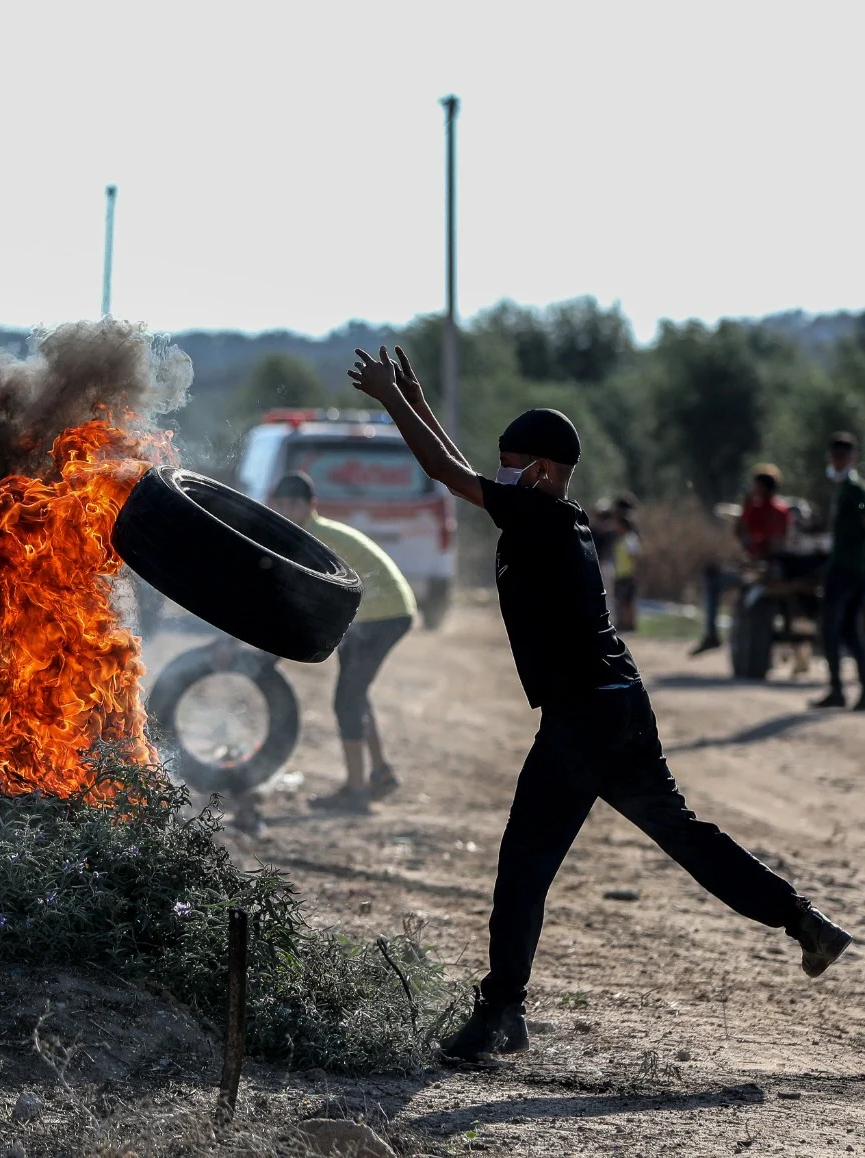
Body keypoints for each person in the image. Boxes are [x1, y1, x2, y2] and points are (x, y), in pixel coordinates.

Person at [344, 344, 853, 1063]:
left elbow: (446, 474)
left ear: (543, 472)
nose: (505, 476)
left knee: (524, 860)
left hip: (584, 717)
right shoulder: (561, 517)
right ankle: (803, 920)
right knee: (686, 836)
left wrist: (390, 401)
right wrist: (420, 400)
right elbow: (463, 470)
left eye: (514, 465)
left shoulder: (542, 518)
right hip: (620, 705)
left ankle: (500, 1014)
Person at [270, 472, 416, 805]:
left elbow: (299, 606)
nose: (287, 509)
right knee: (356, 694)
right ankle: (379, 773)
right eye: (282, 503)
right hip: (371, 615)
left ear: (311, 506)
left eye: (294, 504)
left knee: (346, 699)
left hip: (382, 615)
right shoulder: (307, 535)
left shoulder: (312, 539)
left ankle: (356, 790)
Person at [691, 465, 792, 655]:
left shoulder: (756, 509)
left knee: (712, 579)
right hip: (778, 567)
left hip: (759, 568)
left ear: (761, 488)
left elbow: (740, 533)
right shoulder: (783, 510)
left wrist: (746, 507)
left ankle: (711, 633)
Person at [811, 433, 865, 710]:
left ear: (851, 459)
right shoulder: (844, 490)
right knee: (848, 631)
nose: (837, 461)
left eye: (842, 457)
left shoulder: (854, 490)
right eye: (834, 456)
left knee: (831, 629)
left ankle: (836, 690)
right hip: (850, 567)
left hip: (847, 569)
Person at [610, 495, 641, 632]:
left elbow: (635, 556)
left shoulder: (630, 539)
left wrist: (636, 572)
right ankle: (624, 623)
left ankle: (629, 624)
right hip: (620, 573)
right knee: (621, 600)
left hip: (628, 573)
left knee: (628, 601)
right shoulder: (620, 539)